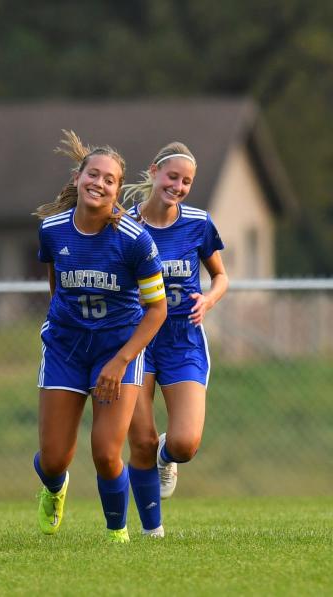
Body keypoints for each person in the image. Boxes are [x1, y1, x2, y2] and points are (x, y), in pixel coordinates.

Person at [32, 131, 166, 543]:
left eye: (109, 179)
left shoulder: (134, 240)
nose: (99, 183)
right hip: (66, 349)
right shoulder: (53, 230)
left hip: (117, 351)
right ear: (77, 178)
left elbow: (157, 310)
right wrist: (66, 328)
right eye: (93, 174)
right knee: (54, 459)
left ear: (118, 189)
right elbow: (57, 286)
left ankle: (117, 535)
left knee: (107, 454)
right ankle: (55, 490)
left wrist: (121, 360)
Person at [123, 143, 228, 538]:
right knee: (140, 438)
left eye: (187, 181)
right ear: (153, 172)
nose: (179, 186)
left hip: (183, 339)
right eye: (173, 177)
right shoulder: (124, 224)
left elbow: (221, 276)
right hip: (138, 338)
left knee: (185, 444)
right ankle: (153, 532)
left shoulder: (198, 223)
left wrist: (210, 298)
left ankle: (167, 456)